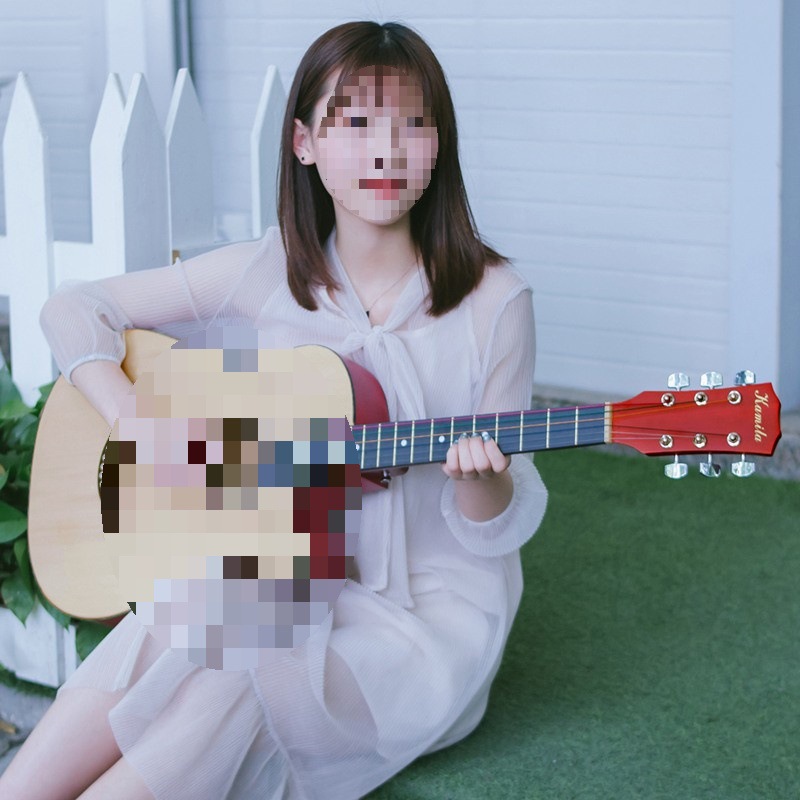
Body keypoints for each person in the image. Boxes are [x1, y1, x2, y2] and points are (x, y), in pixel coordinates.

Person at [0, 19, 548, 800]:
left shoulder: (497, 302)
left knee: (244, 650)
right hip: (285, 572)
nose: (386, 149)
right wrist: (135, 424)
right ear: (304, 143)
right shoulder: (265, 271)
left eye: (412, 123)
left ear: (439, 144)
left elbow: (494, 525)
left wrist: (481, 481)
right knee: (202, 612)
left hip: (422, 620)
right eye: (355, 122)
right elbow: (73, 309)